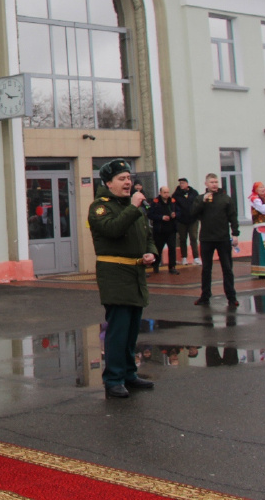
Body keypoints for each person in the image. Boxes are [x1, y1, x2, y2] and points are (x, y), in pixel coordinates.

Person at [87, 159, 156, 400]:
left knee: (131, 331)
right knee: (118, 330)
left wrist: (151, 253)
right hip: (115, 274)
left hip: (135, 274)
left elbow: (148, 234)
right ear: (108, 183)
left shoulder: (133, 206)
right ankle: (113, 379)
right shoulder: (100, 207)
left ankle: (129, 373)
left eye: (129, 178)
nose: (128, 182)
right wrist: (133, 207)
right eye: (121, 179)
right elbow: (113, 230)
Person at [190, 173, 240, 307]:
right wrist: (202, 202)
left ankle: (231, 297)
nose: (214, 184)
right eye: (212, 182)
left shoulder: (225, 199)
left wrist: (235, 234)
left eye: (216, 182)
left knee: (227, 268)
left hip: (222, 238)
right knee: (206, 269)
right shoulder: (200, 198)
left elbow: (233, 217)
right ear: (206, 184)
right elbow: (193, 214)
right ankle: (205, 296)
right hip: (206, 238)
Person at [146, 186, 179, 274]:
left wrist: (175, 215)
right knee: (158, 249)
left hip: (171, 229)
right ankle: (156, 265)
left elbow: (179, 212)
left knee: (172, 248)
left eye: (168, 192)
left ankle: (172, 267)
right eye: (164, 192)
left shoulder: (172, 201)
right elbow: (150, 215)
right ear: (160, 193)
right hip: (160, 230)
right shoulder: (155, 202)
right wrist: (161, 217)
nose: (166, 194)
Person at [172, 178, 201, 266]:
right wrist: (176, 214)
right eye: (180, 183)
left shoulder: (194, 193)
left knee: (193, 237)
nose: (181, 184)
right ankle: (184, 257)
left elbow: (198, 203)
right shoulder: (176, 194)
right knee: (183, 239)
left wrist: (197, 214)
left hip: (193, 219)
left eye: (183, 183)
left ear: (187, 184)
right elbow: (173, 205)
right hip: (181, 220)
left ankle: (196, 258)